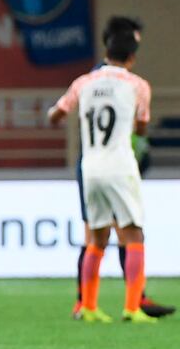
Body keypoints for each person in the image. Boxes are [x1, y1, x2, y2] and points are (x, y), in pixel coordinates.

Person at [48, 26, 156, 324]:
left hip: (90, 166)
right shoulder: (138, 84)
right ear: (131, 57)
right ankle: (133, 307)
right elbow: (142, 125)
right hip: (120, 163)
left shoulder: (84, 82)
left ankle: (89, 306)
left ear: (105, 52)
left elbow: (55, 115)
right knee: (133, 233)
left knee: (96, 237)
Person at [70, 17, 174, 319]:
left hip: (103, 163)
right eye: (134, 41)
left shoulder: (99, 80)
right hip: (101, 163)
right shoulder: (109, 81)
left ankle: (129, 297)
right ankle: (93, 301)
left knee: (113, 231)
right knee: (105, 232)